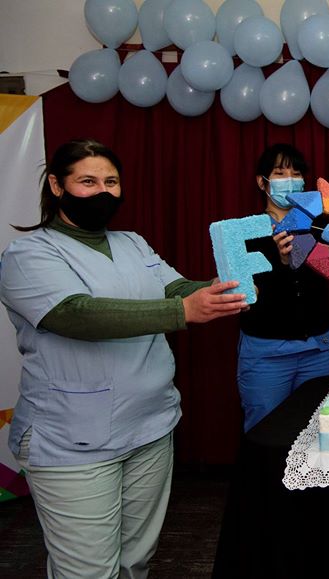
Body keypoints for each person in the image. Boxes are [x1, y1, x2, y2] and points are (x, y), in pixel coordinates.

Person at [0, 139, 246, 578]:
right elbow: (74, 314)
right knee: (88, 571)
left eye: (111, 182)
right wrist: (183, 311)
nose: (103, 192)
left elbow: (174, 288)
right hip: (72, 440)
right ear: (57, 186)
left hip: (150, 427)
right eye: (88, 181)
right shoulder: (27, 254)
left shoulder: (131, 242)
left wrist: (218, 290)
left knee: (135, 560)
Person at [237, 144, 329, 432]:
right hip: (267, 354)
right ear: (262, 181)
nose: (289, 179)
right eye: (280, 173)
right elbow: (245, 296)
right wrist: (279, 261)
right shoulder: (246, 232)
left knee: (319, 431)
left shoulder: (320, 224)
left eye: (296, 173)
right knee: (265, 433)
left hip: (319, 349)